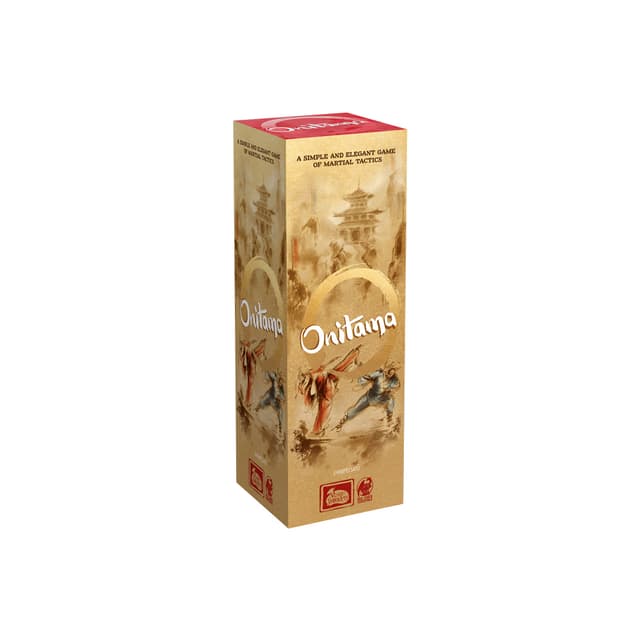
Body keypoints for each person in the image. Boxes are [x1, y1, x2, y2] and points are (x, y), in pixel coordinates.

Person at [297, 346, 361, 435]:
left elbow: (313, 394)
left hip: (326, 389)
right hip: (325, 384)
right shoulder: (310, 376)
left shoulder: (314, 374)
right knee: (337, 370)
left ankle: (317, 431)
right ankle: (353, 356)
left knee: (323, 408)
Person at [334, 365, 400, 431]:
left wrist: (390, 391)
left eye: (392, 373)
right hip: (370, 396)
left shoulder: (395, 380)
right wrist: (363, 381)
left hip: (381, 398)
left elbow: (395, 388)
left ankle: (389, 419)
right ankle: (341, 423)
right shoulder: (379, 373)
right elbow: (366, 378)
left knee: (391, 399)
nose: (390, 374)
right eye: (389, 372)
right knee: (355, 409)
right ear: (386, 369)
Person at [256, 371, 285, 435]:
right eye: (280, 380)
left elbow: (283, 398)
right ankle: (256, 410)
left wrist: (281, 399)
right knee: (262, 401)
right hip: (269, 396)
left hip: (275, 401)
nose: (280, 382)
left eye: (281, 382)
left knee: (280, 412)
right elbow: (268, 374)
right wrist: (266, 378)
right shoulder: (274, 378)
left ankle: (280, 429)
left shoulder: (281, 388)